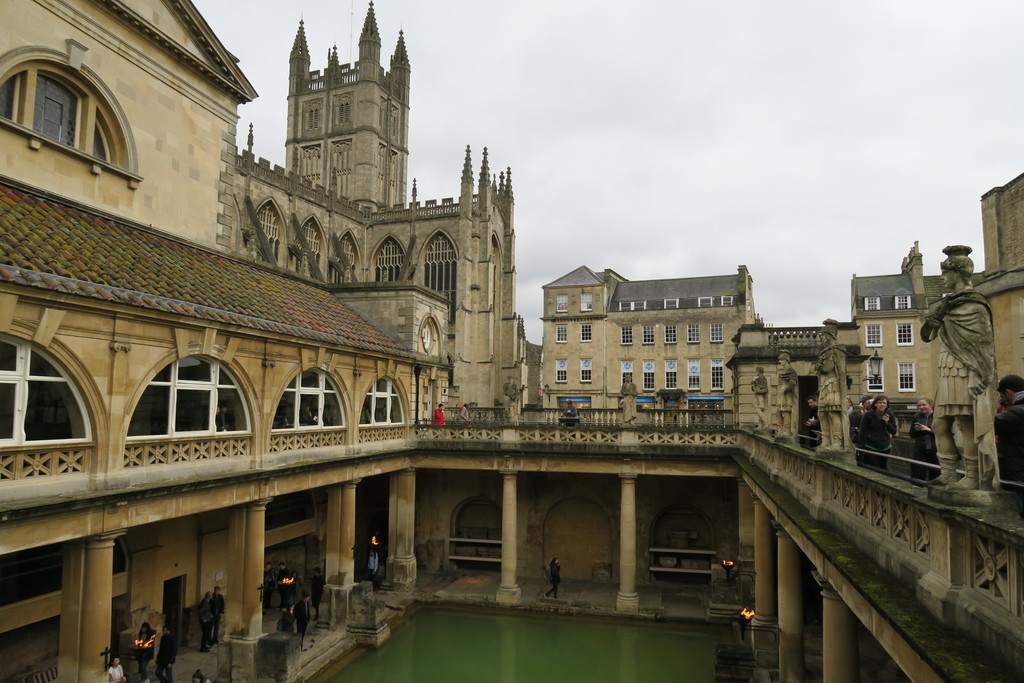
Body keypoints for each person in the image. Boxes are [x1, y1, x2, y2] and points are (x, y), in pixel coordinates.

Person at [921, 244, 999, 490]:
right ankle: (948, 473)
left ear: (960, 273)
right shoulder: (948, 305)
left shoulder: (974, 304)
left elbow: (983, 346)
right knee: (939, 424)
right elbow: (926, 335)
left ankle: (973, 478)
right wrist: (935, 319)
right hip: (947, 367)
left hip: (964, 368)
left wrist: (980, 375)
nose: (943, 278)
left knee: (965, 424)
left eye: (946, 273)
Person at [813, 319, 848, 451]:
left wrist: (820, 365)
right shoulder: (826, 351)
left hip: (833, 384)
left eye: (823, 335)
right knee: (822, 414)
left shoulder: (836, 349)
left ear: (830, 334)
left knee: (833, 414)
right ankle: (826, 441)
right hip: (824, 385)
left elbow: (829, 368)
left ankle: (838, 442)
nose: (821, 337)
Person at [995, 374, 1024, 517]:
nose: (1002, 400)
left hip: (1017, 469)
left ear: (1009, 392)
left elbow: (988, 425)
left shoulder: (1017, 412)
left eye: (1002, 395)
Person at [857, 395, 897, 469]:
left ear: (887, 405)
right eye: (880, 402)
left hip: (885, 446)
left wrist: (887, 423)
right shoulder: (868, 415)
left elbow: (893, 431)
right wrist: (861, 449)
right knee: (875, 468)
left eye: (884, 403)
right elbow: (862, 432)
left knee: (883, 468)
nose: (882, 404)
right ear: (875, 404)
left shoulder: (889, 414)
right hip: (871, 446)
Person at [909, 397, 939, 481]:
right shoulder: (916, 417)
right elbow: (911, 435)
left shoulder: (937, 417)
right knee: (918, 475)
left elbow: (943, 433)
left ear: (931, 405)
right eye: (919, 406)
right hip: (920, 450)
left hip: (935, 450)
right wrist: (916, 429)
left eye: (924, 405)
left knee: (935, 476)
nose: (921, 407)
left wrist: (928, 429)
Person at [775, 350, 799, 437]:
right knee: (778, 412)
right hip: (780, 392)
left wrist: (786, 389)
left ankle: (787, 430)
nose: (780, 361)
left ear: (786, 360)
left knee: (786, 411)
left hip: (786, 393)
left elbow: (793, 382)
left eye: (781, 359)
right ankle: (780, 429)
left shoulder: (790, 370)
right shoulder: (782, 370)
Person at [751, 366, 769, 431]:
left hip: (761, 397)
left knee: (759, 409)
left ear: (759, 371)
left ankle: (766, 423)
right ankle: (760, 425)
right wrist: (753, 385)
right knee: (758, 410)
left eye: (756, 371)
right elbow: (754, 389)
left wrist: (758, 391)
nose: (756, 372)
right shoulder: (756, 380)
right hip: (756, 396)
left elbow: (765, 390)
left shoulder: (763, 379)